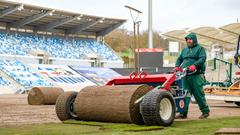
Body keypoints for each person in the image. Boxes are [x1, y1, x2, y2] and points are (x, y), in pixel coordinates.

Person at [174, 32, 210, 119]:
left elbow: (202, 58)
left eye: (190, 39)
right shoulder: (184, 50)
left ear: (194, 40)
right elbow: (179, 59)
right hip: (185, 75)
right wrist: (177, 66)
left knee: (198, 94)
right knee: (185, 95)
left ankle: (205, 112)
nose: (189, 41)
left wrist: (195, 65)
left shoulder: (200, 49)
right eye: (187, 39)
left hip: (196, 75)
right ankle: (183, 113)